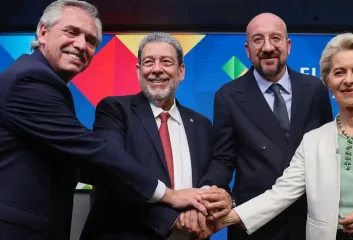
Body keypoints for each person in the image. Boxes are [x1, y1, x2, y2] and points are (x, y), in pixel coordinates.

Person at [0, 2, 206, 240]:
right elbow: (92, 152)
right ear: (43, 32)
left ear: (181, 70)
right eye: (71, 32)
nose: (80, 45)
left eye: (90, 40)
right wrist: (169, 195)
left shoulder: (46, 82)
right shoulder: (31, 79)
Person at [211, 33, 353, 240]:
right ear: (328, 82)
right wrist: (222, 220)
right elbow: (280, 194)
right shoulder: (313, 140)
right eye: (339, 72)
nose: (348, 80)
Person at [192, 12, 333, 240]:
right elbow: (223, 159)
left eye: (275, 38)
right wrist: (208, 191)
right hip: (254, 223)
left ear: (288, 45)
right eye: (258, 40)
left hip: (309, 219)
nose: (268, 47)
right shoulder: (227, 96)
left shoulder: (315, 89)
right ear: (247, 50)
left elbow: (328, 150)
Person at [80, 32, 215, 240]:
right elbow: (113, 172)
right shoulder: (114, 110)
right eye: (148, 62)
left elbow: (210, 178)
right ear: (138, 71)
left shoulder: (202, 125)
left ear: (181, 71)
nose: (156, 69)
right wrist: (172, 218)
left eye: (166, 62)